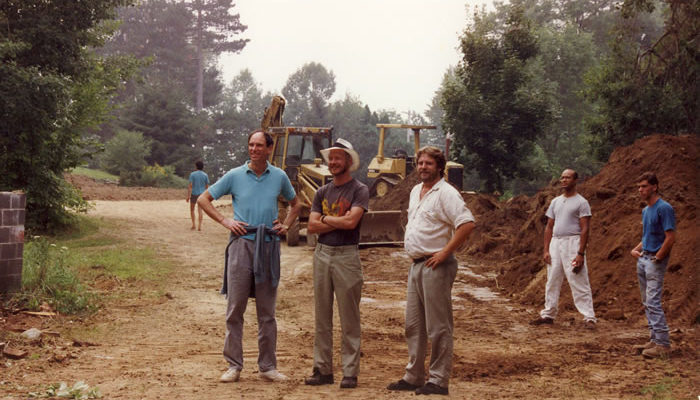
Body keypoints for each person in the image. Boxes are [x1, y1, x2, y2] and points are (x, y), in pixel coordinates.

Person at [197, 129, 301, 383]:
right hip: (241, 244)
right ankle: (234, 365)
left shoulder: (279, 176)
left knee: (267, 311)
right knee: (235, 308)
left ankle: (267, 366)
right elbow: (203, 198)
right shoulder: (234, 175)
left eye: (259, 145)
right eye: (251, 145)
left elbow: (296, 204)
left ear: (269, 149)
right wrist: (225, 220)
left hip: (268, 245)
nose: (254, 149)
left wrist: (286, 225)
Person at [387, 146, 475, 396]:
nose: (423, 167)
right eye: (420, 163)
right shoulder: (416, 191)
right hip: (416, 265)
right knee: (413, 325)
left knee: (438, 326)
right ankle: (413, 376)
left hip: (436, 265)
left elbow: (467, 224)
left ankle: (438, 380)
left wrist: (445, 252)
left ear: (439, 166)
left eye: (428, 163)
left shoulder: (446, 193)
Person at [303, 139, 369, 390]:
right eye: (331, 159)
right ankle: (323, 369)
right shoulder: (322, 192)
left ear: (348, 162)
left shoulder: (359, 190)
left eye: (337, 158)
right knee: (322, 316)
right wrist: (338, 219)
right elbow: (311, 226)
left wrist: (326, 220)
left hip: (346, 256)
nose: (333, 163)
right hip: (322, 253)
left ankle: (350, 372)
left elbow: (352, 223)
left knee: (349, 317)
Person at [531, 169, 597, 328]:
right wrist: (546, 249)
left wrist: (580, 253)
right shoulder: (555, 202)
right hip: (556, 242)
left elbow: (585, 228)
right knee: (552, 278)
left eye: (568, 177)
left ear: (575, 180)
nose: (564, 180)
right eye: (562, 178)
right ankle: (548, 313)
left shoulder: (581, 202)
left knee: (578, 279)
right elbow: (549, 227)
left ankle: (589, 317)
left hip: (573, 243)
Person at [630, 172, 676, 358]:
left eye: (644, 186)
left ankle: (663, 344)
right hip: (643, 259)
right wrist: (637, 248)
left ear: (654, 187)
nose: (640, 190)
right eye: (639, 187)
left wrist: (658, 257)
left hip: (654, 261)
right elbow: (647, 236)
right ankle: (654, 339)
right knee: (646, 302)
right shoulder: (645, 210)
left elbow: (670, 237)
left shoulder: (664, 208)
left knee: (653, 301)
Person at [187, 160, 210, 230]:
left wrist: (188, 196)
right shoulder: (205, 175)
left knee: (192, 210)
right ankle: (199, 226)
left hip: (194, 194)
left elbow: (190, 186)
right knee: (200, 210)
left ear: (196, 166)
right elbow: (207, 187)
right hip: (202, 195)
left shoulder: (192, 174)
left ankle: (193, 225)